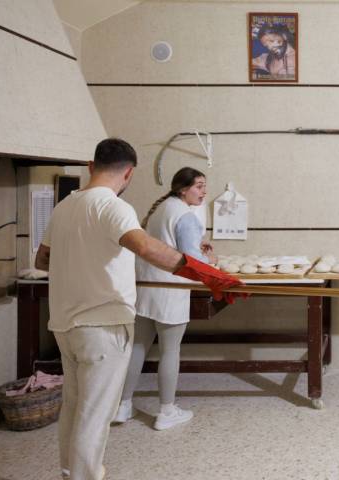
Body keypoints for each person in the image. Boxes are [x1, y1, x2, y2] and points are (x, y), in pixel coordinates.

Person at [35, 138, 243, 480]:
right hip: (102, 325)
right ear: (129, 173)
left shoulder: (65, 206)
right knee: (94, 414)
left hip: (64, 324)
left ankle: (70, 473)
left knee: (74, 408)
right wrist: (208, 274)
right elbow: (145, 247)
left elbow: (42, 259)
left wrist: (81, 265)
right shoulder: (113, 207)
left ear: (91, 166)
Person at [113, 167, 214, 430]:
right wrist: (212, 261)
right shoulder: (185, 216)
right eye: (199, 186)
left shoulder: (162, 208)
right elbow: (191, 260)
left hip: (146, 287)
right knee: (171, 350)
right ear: (183, 189)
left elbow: (170, 246)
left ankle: (122, 406)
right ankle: (167, 411)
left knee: (138, 347)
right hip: (170, 290)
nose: (204, 192)